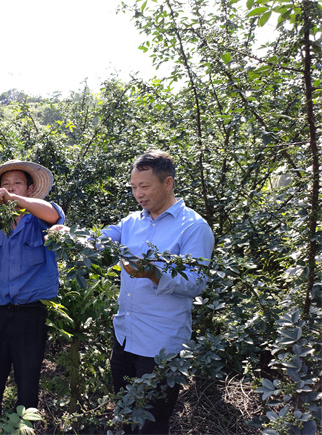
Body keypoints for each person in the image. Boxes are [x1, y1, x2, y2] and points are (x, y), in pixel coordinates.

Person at [101, 150, 215, 434]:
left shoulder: (193, 227)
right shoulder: (131, 222)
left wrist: (154, 274)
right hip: (125, 337)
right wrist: (70, 235)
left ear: (168, 183)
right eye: (134, 187)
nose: (138, 194)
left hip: (160, 346)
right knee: (125, 415)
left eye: (145, 187)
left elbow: (195, 283)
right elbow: (101, 240)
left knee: (152, 424)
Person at [0, 160, 65, 419]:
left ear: (29, 189)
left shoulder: (39, 218)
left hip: (30, 312)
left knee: (28, 377)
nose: (10, 188)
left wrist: (14, 198)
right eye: (5, 184)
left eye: (17, 183)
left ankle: (25, 425)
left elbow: (54, 215)